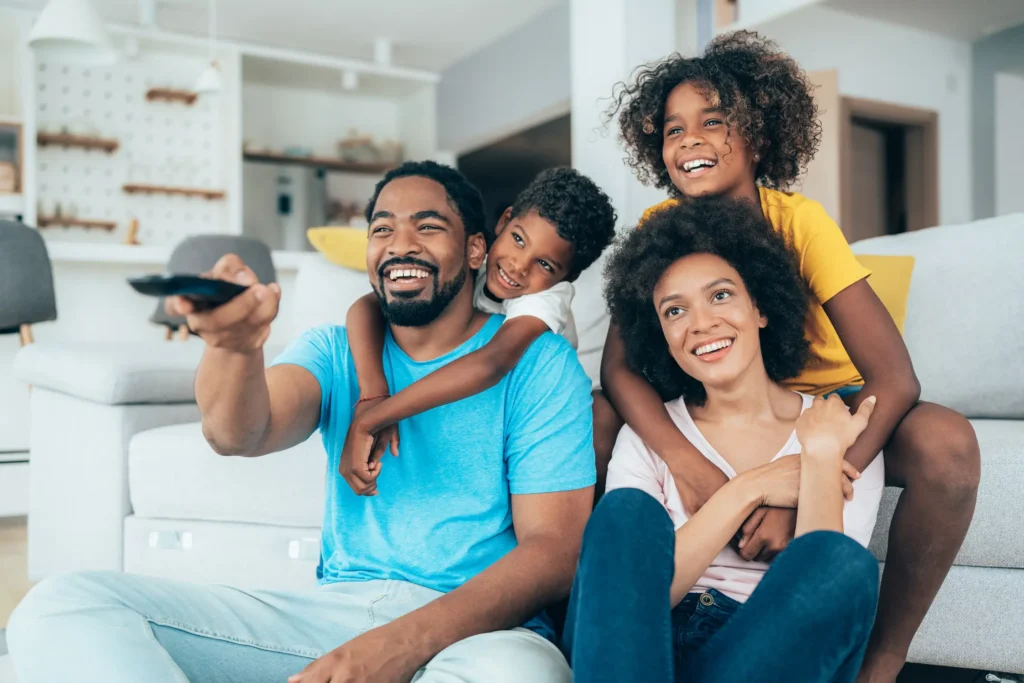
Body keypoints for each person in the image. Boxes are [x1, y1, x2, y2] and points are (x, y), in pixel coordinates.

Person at [7, 161, 597, 683]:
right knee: (65, 604)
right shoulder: (337, 349)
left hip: (478, 634)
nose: (400, 244)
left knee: (524, 675)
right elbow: (238, 432)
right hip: (335, 615)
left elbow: (554, 552)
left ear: (474, 249)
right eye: (383, 228)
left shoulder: (539, 362)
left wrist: (397, 646)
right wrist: (236, 346)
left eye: (428, 225)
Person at [597, 30, 980, 682]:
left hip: (824, 399)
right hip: (716, 394)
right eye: (672, 130)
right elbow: (618, 368)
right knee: (603, 415)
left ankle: (880, 661)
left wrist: (808, 488)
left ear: (759, 135)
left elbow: (894, 376)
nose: (688, 139)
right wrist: (683, 459)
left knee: (947, 442)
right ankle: (590, 622)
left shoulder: (800, 223)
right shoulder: (662, 228)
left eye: (712, 123)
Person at [564, 195, 883, 682]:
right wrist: (746, 489)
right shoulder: (649, 434)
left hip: (760, 653)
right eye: (674, 311)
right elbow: (644, 595)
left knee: (847, 566)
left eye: (720, 295)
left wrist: (819, 457)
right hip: (642, 645)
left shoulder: (832, 430)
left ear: (759, 308)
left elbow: (822, 587)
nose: (701, 323)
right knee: (622, 514)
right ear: (664, 339)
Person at [340, 167, 616, 496]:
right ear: (504, 221)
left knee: (603, 415)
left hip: (539, 407)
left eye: (545, 265)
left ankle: (587, 521)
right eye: (517, 239)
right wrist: (372, 395)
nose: (517, 265)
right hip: (480, 398)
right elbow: (365, 307)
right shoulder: (473, 259)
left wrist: (373, 420)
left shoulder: (547, 299)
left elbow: (493, 362)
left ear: (566, 278)